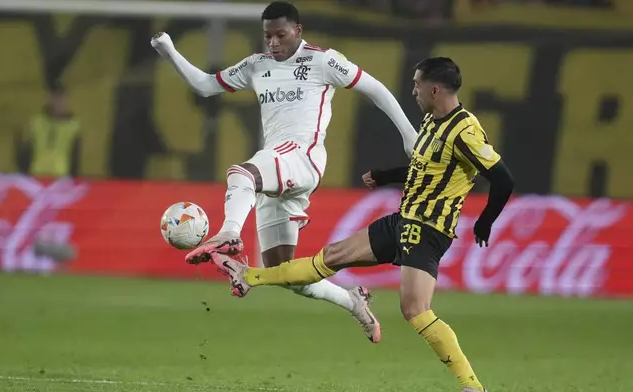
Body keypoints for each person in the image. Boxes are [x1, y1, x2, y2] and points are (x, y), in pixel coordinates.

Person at [211, 57, 516, 392]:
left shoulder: (466, 131)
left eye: (416, 85)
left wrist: (485, 222)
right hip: (403, 220)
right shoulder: (432, 121)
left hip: (428, 228)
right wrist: (386, 176)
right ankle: (250, 275)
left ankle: (472, 386)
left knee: (415, 310)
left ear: (435, 89)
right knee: (331, 257)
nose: (412, 90)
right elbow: (424, 169)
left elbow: (502, 179)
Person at [151, 1, 418, 343]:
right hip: (279, 169)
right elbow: (205, 85)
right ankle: (352, 301)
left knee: (241, 173)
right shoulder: (256, 65)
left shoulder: (324, 60)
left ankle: (230, 233)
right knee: (288, 273)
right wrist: (169, 50)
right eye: (268, 36)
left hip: (302, 157)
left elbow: (376, 89)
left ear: (298, 31)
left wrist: (409, 135)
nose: (274, 43)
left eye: (280, 35)